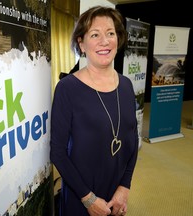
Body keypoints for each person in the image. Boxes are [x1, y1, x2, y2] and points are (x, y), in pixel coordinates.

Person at [50, 5, 139, 216]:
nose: (105, 41)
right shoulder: (67, 88)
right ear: (81, 44)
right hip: (80, 196)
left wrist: (124, 187)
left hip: (116, 195)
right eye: (95, 34)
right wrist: (88, 199)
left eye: (110, 33)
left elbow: (132, 141)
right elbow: (58, 152)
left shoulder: (126, 85)